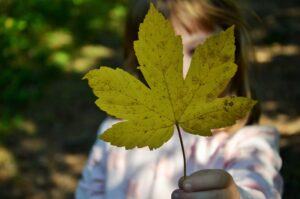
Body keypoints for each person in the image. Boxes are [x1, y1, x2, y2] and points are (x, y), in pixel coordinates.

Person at [76, 0, 283, 198]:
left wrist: (236, 196)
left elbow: (260, 186)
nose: (182, 67)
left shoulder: (246, 144)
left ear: (233, 54)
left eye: (196, 50)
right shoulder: (112, 142)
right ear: (138, 63)